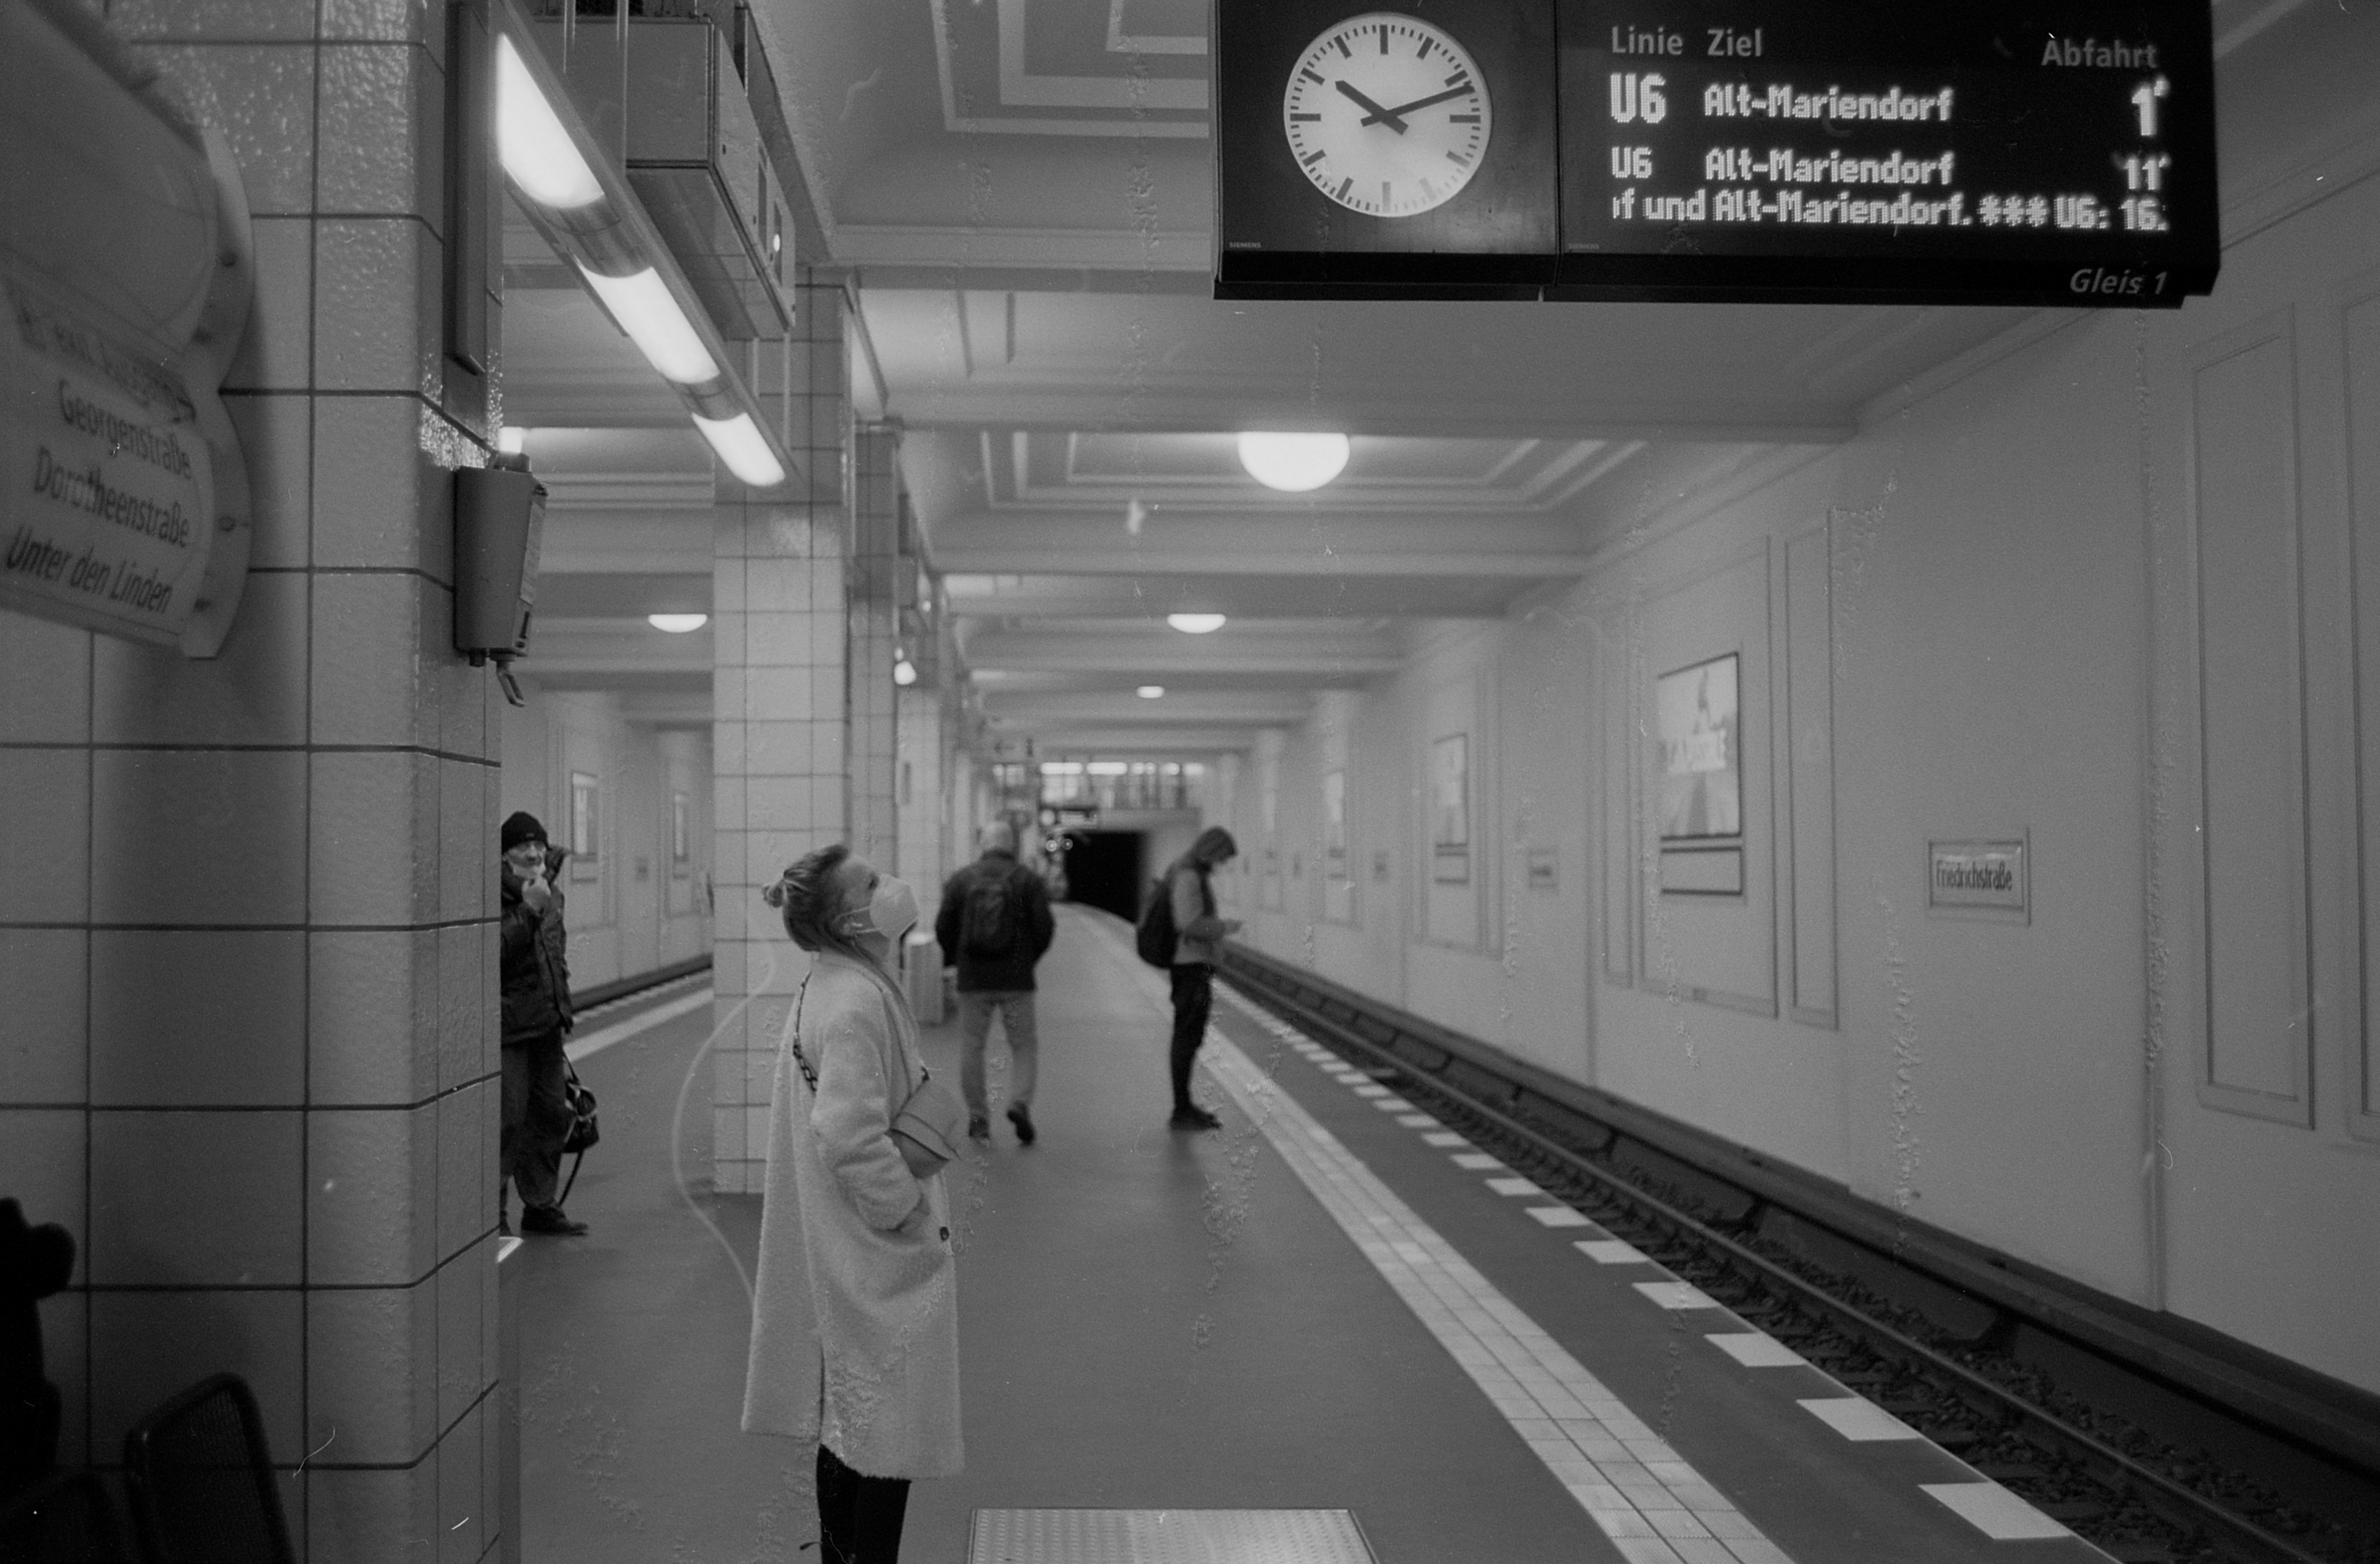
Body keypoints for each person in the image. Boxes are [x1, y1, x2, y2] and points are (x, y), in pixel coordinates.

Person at [743, 845, 962, 1564]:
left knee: (851, 1422)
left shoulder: (836, 981)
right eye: (870, 882)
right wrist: (906, 1212)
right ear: (848, 918)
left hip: (844, 1242)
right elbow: (845, 1132)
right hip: (872, 1251)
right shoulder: (854, 1001)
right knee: (883, 1435)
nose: (889, 884)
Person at [934, 822, 1055, 1144]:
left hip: (974, 980)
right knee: (1023, 1043)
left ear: (983, 845)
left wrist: (959, 960)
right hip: (1016, 980)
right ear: (1011, 845)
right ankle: (1019, 1103)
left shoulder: (961, 880)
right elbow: (1045, 927)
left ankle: (978, 1117)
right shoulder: (1027, 880)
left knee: (972, 1046)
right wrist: (1027, 959)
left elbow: (943, 927)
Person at [499, 811, 586, 1236]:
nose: (533, 853)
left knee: (550, 1116)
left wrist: (561, 1010)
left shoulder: (552, 894)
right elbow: (493, 953)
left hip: (547, 1025)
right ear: (504, 855)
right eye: (522, 846)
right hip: (509, 1028)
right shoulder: (491, 896)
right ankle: (491, 1216)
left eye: (539, 845)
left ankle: (539, 1205)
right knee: (507, 1121)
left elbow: (555, 956)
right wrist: (528, 910)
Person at [1163, 826, 1243, 1130]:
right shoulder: (1188, 875)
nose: (1222, 864)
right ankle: (1181, 1110)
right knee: (1186, 1037)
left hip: (1194, 965)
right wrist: (1223, 927)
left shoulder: (1191, 872)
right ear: (1212, 850)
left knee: (1190, 1037)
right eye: (1222, 857)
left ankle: (1184, 1106)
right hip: (1190, 967)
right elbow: (1189, 923)